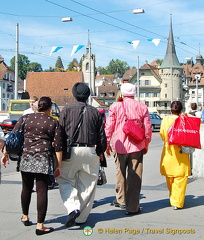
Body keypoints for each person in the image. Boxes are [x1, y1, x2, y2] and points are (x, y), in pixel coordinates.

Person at [1, 96, 63, 235]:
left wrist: (5, 153)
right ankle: (40, 226)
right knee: (42, 191)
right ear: (49, 108)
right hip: (43, 158)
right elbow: (58, 147)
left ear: (37, 106)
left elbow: (13, 136)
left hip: (26, 157)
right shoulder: (54, 122)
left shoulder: (25, 118)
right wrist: (58, 166)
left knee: (26, 187)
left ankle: (25, 216)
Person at [57, 82, 107, 228]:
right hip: (89, 150)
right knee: (88, 184)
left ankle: (73, 207)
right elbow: (102, 137)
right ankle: (82, 218)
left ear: (74, 94)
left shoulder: (66, 110)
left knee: (65, 180)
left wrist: (58, 154)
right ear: (88, 95)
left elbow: (59, 133)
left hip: (70, 151)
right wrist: (99, 152)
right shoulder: (95, 112)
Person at [105, 83, 152, 215]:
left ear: (122, 93)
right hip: (137, 145)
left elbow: (109, 126)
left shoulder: (115, 106)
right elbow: (147, 128)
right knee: (135, 176)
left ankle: (121, 200)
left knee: (120, 172)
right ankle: (132, 207)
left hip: (119, 145)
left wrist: (107, 143)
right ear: (134, 93)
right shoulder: (142, 107)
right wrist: (146, 143)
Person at [160, 101, 191, 210]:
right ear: (181, 110)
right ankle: (177, 202)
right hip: (181, 153)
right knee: (180, 179)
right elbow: (196, 122)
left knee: (170, 178)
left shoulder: (165, 120)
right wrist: (186, 115)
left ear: (170, 109)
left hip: (169, 153)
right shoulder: (184, 120)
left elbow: (163, 135)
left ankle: (173, 197)